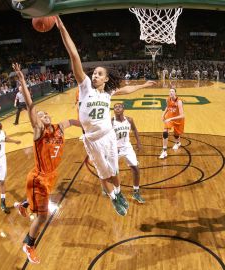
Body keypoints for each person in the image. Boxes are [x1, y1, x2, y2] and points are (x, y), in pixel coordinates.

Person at [55, 16, 155, 216]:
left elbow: (126, 89)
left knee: (114, 172)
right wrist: (61, 27)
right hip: (92, 140)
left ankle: (118, 193)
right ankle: (114, 197)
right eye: (94, 73)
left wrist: (143, 85)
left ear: (106, 79)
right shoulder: (85, 88)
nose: (95, 75)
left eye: (99, 74)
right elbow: (74, 56)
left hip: (109, 136)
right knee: (104, 174)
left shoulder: (108, 93)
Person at [12, 63, 81, 264]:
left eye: (45, 114)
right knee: (42, 217)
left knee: (39, 207)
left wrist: (87, 127)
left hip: (50, 176)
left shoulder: (59, 128)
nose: (43, 116)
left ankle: (24, 205)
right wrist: (23, 82)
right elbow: (31, 105)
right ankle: (28, 244)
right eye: (40, 116)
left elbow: (73, 121)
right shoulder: (39, 132)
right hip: (38, 179)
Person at [112, 103, 145, 203]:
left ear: (123, 109)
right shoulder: (111, 121)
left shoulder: (129, 120)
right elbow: (107, 135)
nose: (117, 108)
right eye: (115, 107)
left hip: (127, 147)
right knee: (112, 172)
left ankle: (136, 192)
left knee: (135, 167)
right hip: (115, 149)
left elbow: (134, 130)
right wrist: (112, 146)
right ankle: (112, 190)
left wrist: (139, 142)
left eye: (119, 107)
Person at [159, 88, 185, 159]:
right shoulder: (168, 99)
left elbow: (182, 115)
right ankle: (164, 151)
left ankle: (178, 143)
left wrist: (171, 118)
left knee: (176, 135)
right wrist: (163, 114)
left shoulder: (179, 101)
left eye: (172, 91)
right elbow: (168, 107)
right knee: (165, 132)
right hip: (169, 118)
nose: (171, 92)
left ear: (175, 93)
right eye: (170, 91)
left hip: (178, 119)